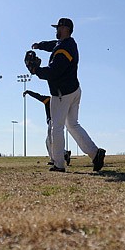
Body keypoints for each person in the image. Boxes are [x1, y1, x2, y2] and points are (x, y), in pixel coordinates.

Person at [28, 17, 106, 173]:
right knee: (72, 125)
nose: (56, 30)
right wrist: (40, 45)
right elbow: (53, 45)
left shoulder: (64, 49)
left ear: (65, 29)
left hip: (62, 94)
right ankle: (95, 153)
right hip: (74, 91)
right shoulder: (66, 43)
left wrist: (36, 71)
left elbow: (53, 72)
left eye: (58, 27)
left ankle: (59, 164)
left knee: (56, 128)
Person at [24, 89, 71, 166]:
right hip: (59, 121)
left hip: (52, 121)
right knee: (49, 141)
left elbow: (38, 96)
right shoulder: (60, 101)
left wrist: (28, 92)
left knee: (51, 141)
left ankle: (57, 158)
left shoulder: (49, 99)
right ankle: (64, 153)